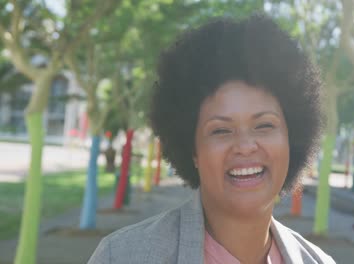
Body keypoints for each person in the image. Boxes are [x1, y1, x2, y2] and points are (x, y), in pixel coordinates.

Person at [88, 14, 334, 264]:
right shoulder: (121, 256)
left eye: (264, 125)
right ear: (192, 150)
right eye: (221, 130)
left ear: (291, 140)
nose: (245, 146)